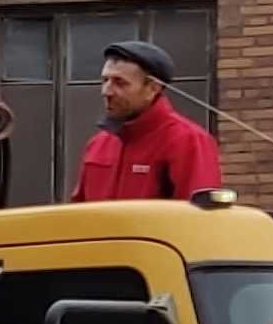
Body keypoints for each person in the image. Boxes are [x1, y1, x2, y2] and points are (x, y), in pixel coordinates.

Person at [70, 39, 221, 203]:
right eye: (105, 80)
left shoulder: (188, 141)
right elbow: (78, 213)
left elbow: (199, 219)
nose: (106, 91)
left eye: (120, 83)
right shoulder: (98, 145)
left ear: (152, 88)